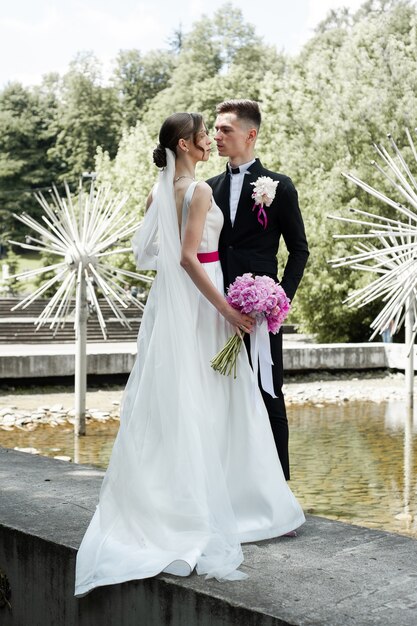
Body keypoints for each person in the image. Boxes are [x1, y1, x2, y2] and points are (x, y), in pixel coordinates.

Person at [74, 112, 305, 597]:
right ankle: (238, 504)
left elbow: (154, 249)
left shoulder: (160, 189)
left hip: (179, 301)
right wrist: (227, 309)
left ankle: (186, 498)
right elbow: (186, 255)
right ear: (186, 143)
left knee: (184, 399)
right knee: (222, 398)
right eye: (205, 135)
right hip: (206, 297)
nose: (210, 142)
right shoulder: (201, 190)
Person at [207, 100, 309, 481]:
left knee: (269, 393)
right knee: (219, 395)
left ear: (250, 135)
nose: (216, 136)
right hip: (216, 306)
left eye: (224, 130)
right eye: (214, 129)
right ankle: (228, 487)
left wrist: (280, 297)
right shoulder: (207, 188)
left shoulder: (278, 186)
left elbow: (299, 249)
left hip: (262, 310)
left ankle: (279, 490)